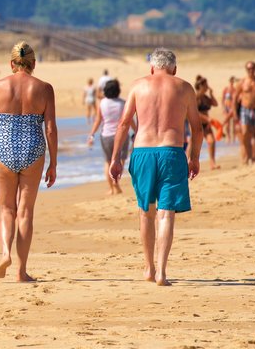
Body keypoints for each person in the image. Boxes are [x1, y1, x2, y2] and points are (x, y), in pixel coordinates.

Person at [109, 48, 201, 286]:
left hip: (142, 152)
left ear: (152, 68)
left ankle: (148, 268)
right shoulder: (184, 87)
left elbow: (123, 123)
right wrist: (194, 157)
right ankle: (162, 272)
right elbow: (197, 129)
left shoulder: (139, 86)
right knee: (166, 212)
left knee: (145, 212)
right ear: (174, 69)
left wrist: (115, 158)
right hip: (172, 152)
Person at [0, 41, 58, 282]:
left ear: (11, 63)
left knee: (7, 208)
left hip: (3, 148)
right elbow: (50, 128)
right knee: (25, 212)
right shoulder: (45, 88)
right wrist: (53, 162)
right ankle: (21, 271)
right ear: (34, 63)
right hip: (33, 148)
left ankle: (6, 252)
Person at [87, 78, 128, 195]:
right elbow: (128, 121)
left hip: (106, 136)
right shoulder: (123, 103)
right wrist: (136, 132)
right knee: (120, 160)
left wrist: (91, 135)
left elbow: (98, 120)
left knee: (108, 162)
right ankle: (116, 183)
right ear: (118, 90)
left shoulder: (102, 103)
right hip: (122, 136)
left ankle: (111, 188)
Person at [195, 77, 220, 170]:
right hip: (197, 124)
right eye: (205, 85)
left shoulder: (205, 98)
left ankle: (212, 163)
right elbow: (194, 112)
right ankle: (187, 163)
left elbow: (215, 104)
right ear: (200, 86)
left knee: (212, 141)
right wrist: (207, 118)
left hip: (206, 124)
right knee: (193, 145)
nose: (207, 87)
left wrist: (211, 94)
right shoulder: (196, 98)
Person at [220, 76, 239, 144]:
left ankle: (234, 137)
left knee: (233, 124)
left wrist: (235, 109)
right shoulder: (226, 89)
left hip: (232, 108)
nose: (232, 83)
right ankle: (228, 137)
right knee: (227, 124)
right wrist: (223, 108)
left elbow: (236, 100)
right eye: (231, 81)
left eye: (233, 81)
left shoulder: (235, 90)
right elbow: (222, 99)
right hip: (226, 108)